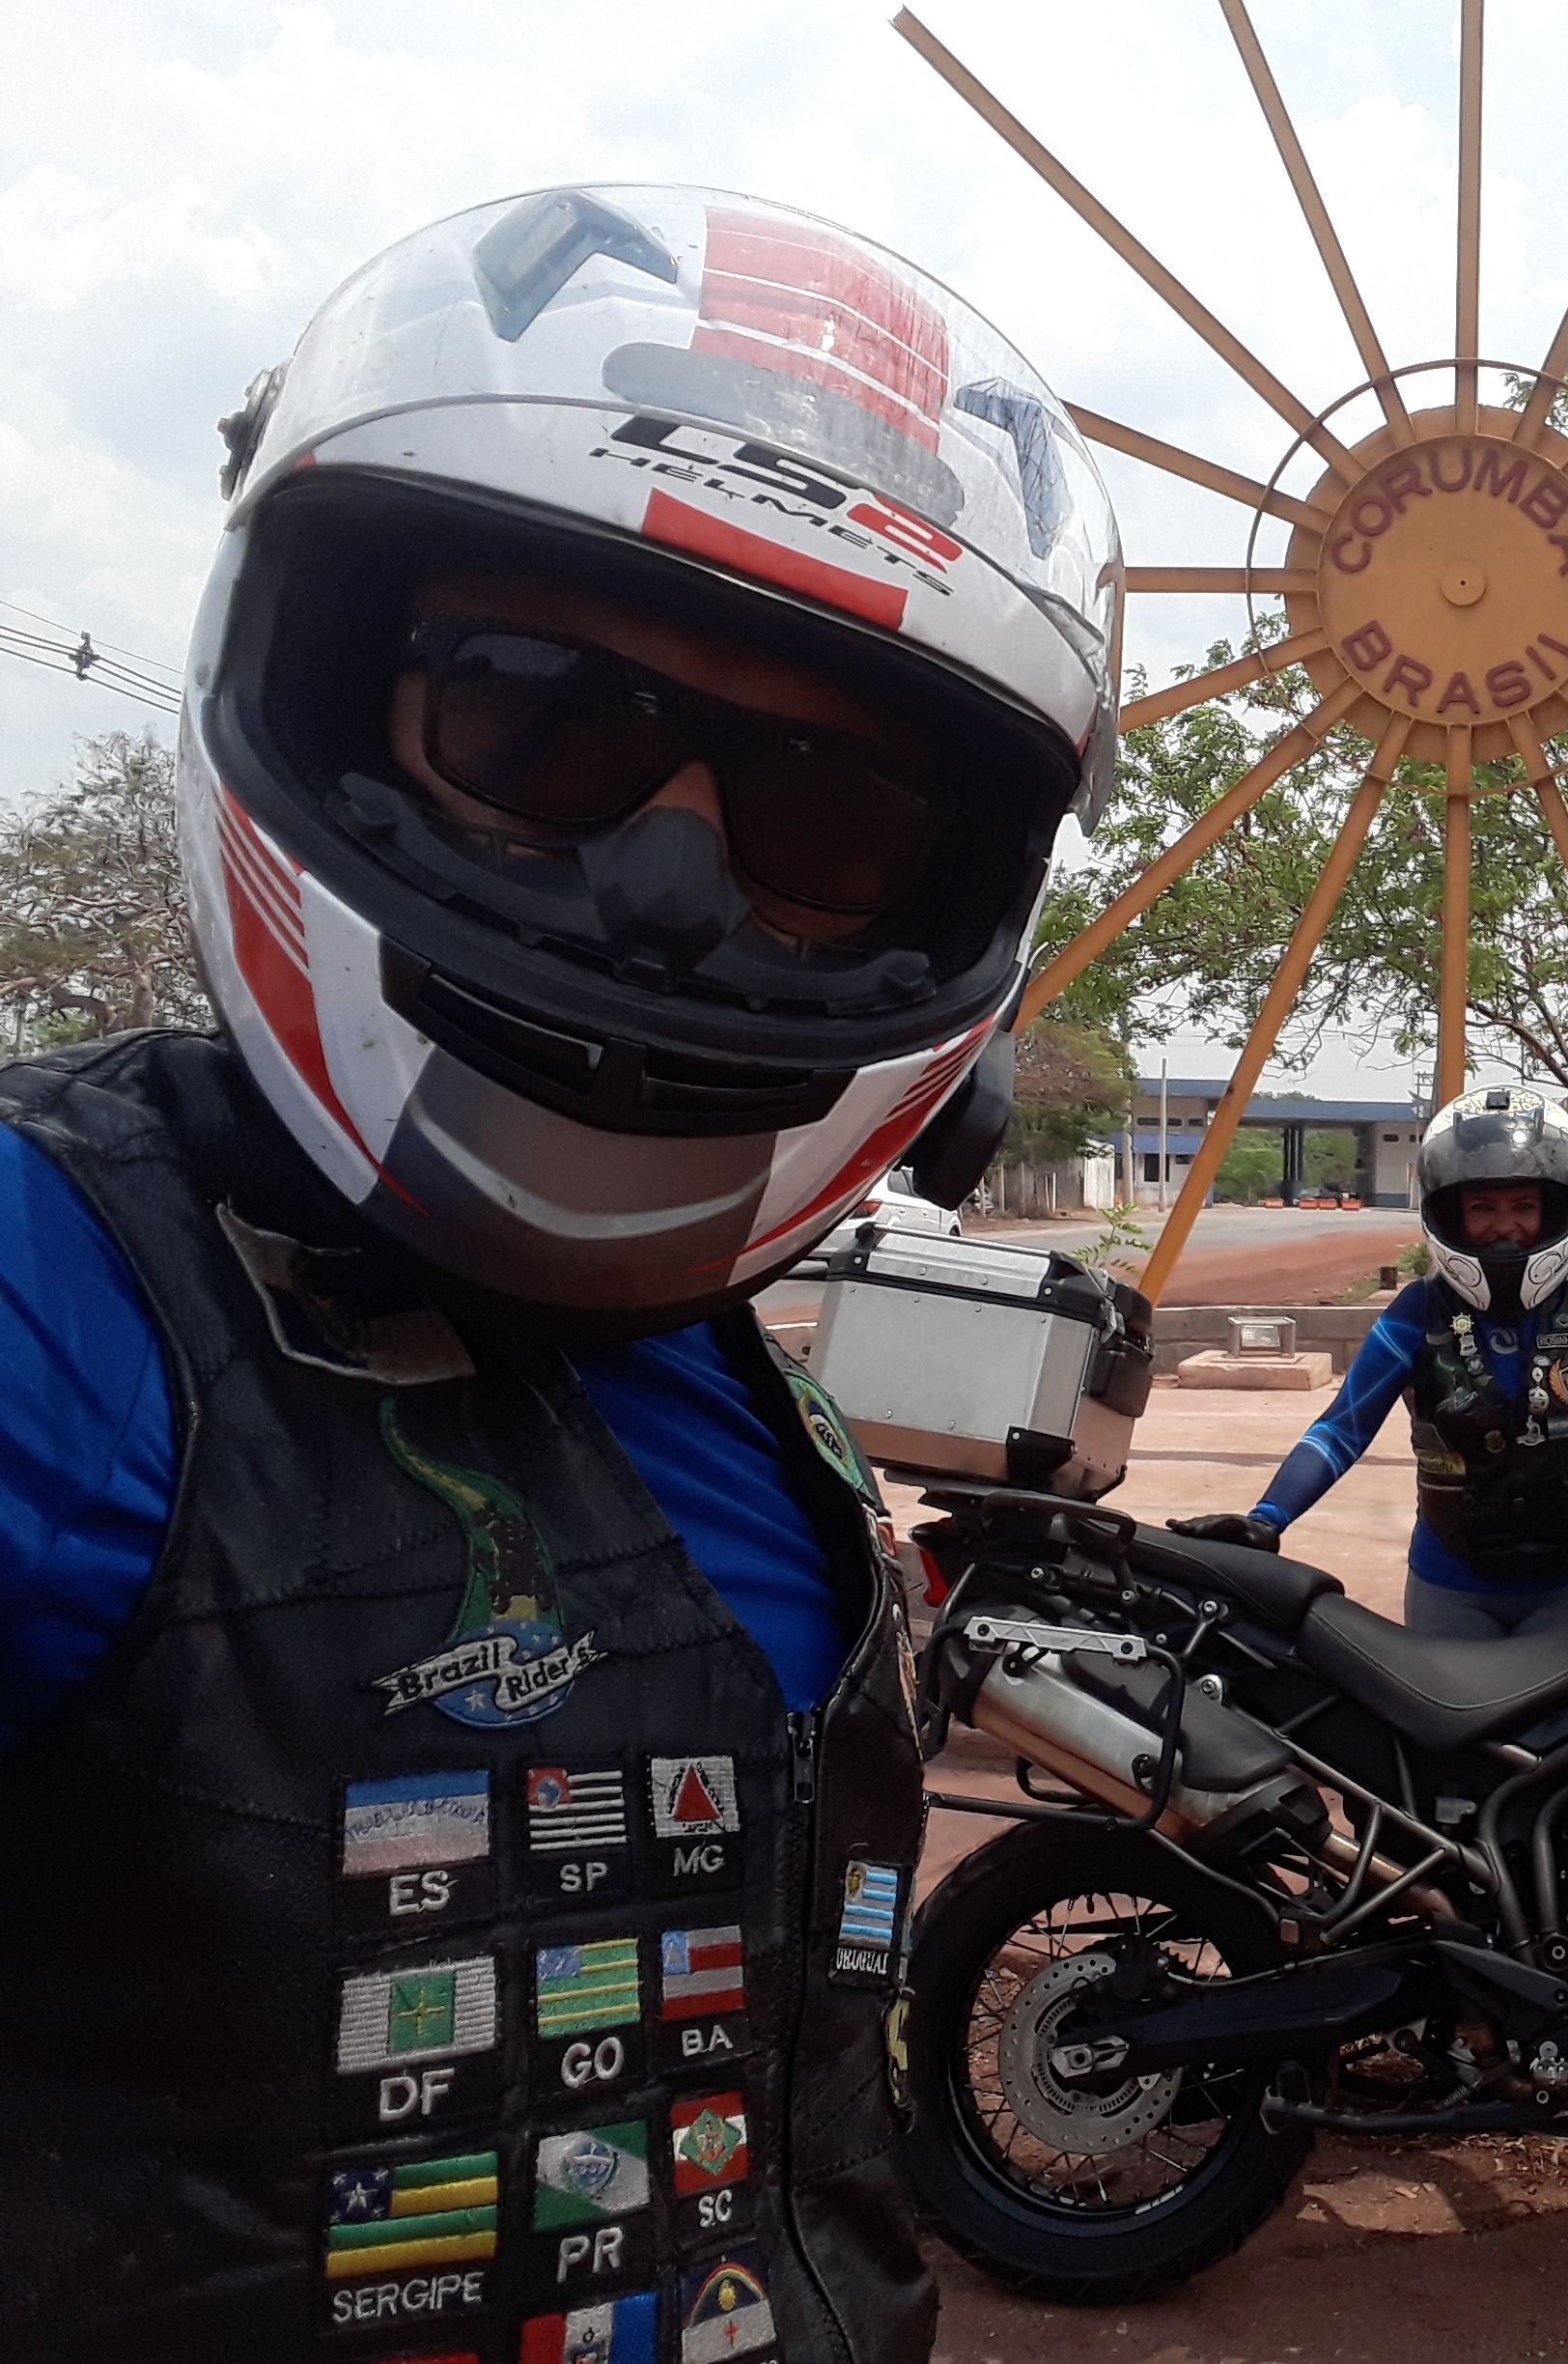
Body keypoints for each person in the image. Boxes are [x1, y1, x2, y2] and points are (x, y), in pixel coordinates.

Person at [0, 185, 1120, 2364]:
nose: (666, 895)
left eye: (825, 817)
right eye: (539, 722)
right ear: (337, 682)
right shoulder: (60, 1289)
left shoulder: (747, 1380)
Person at [1176, 1084, 1568, 1634]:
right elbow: (1343, 1427)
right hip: (1450, 1590)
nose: (1506, 1227)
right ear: (1453, 1215)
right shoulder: (1417, 1312)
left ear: (1554, 1210)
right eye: (1483, 1208)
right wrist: (1267, 1519)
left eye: (1523, 1206)